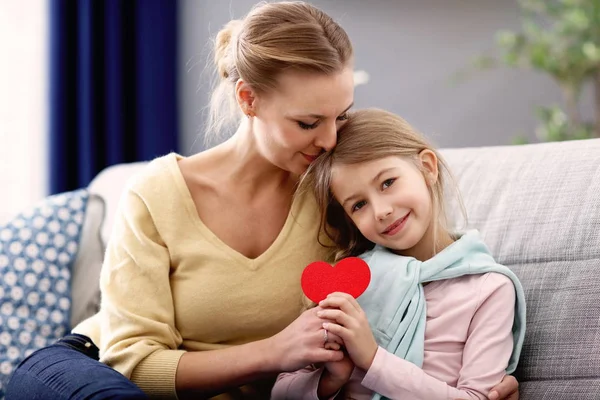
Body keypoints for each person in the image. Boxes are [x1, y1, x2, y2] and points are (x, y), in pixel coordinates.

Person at [7, 2, 520, 399]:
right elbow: (132, 363)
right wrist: (272, 352)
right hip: (96, 367)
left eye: (340, 116)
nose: (330, 140)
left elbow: (413, 275)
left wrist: (475, 383)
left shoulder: (336, 196)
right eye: (307, 122)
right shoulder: (158, 193)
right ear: (248, 100)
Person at [272, 108, 526, 400]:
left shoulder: (488, 289)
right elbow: (280, 392)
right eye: (358, 205)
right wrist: (330, 380)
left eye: (388, 183)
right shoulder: (349, 282)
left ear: (428, 167)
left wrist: (372, 359)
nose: (381, 211)